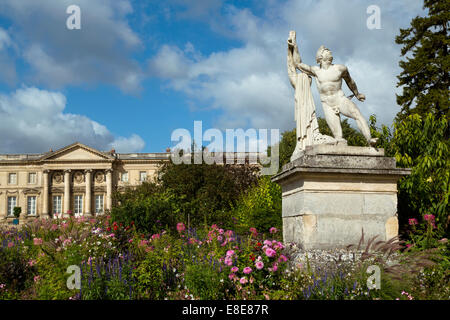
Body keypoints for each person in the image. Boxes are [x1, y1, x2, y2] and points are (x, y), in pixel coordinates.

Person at [289, 40, 378, 147]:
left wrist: (357, 94)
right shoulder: (316, 70)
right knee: (338, 138)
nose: (330, 52)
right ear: (320, 57)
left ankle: (369, 139)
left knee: (357, 114)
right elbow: (298, 64)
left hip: (340, 99)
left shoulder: (340, 68)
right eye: (327, 51)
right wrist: (295, 47)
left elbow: (350, 82)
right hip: (327, 104)